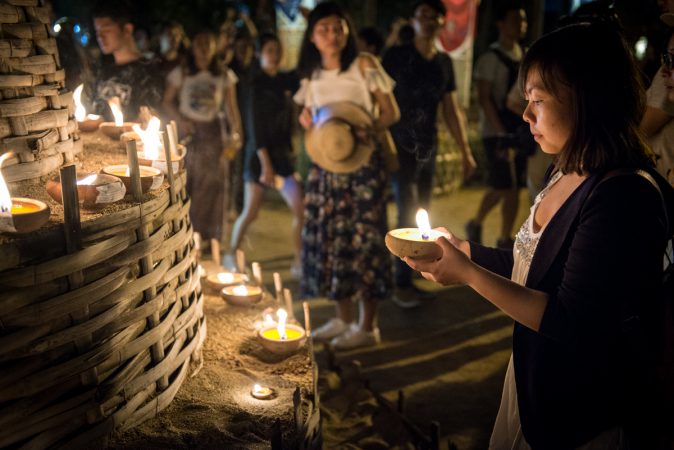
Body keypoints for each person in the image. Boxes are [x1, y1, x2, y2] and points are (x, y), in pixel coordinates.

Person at [404, 22, 674, 449]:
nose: (526, 114)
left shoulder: (622, 197)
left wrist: (469, 275)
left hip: (582, 411)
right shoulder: (566, 168)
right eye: (526, 100)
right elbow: (532, 267)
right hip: (535, 383)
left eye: (538, 100)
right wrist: (465, 252)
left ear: (587, 98)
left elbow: (571, 320)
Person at [295, 2, 400, 350]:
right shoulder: (312, 76)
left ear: (346, 31)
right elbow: (309, 117)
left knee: (365, 241)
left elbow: (390, 111)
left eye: (337, 27)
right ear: (312, 37)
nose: (332, 35)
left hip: (363, 168)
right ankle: (342, 318)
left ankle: (368, 325)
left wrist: (365, 130)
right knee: (332, 241)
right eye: (323, 29)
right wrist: (306, 121)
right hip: (326, 168)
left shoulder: (365, 64)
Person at [382, 0, 476, 307]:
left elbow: (451, 109)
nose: (429, 20)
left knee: (421, 212)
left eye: (435, 16)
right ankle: (399, 283)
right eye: (423, 14)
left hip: (427, 147)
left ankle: (410, 276)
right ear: (414, 19)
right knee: (406, 210)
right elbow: (378, 101)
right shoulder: (396, 56)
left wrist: (465, 152)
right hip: (398, 146)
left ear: (440, 22)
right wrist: (382, 144)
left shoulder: (444, 62)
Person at [227, 33, 303, 276]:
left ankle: (300, 260)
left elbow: (304, 72)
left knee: (300, 209)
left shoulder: (285, 80)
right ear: (260, 53)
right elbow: (254, 126)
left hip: (282, 156)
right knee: (251, 211)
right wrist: (266, 165)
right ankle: (231, 253)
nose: (275, 55)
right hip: (259, 156)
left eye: (277, 50)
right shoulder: (254, 83)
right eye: (269, 50)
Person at [162, 31, 243, 246]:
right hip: (188, 132)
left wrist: (236, 133)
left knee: (211, 184)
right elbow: (167, 101)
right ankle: (182, 232)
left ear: (216, 46)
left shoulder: (224, 74)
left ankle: (205, 237)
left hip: (212, 134)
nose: (204, 47)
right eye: (200, 43)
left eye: (208, 42)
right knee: (186, 179)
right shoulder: (183, 72)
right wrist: (181, 120)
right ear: (193, 47)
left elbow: (232, 108)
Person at [465, 1, 528, 249]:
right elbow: (484, 97)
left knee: (509, 185)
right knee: (507, 185)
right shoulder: (490, 58)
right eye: (515, 19)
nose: (521, 25)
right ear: (500, 24)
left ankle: (485, 226)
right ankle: (503, 238)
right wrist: (500, 130)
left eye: (523, 20)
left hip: (520, 130)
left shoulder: (523, 55)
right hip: (496, 132)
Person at [84, 1, 163, 121]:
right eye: (97, 32)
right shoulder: (103, 71)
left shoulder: (148, 71)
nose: (100, 37)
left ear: (127, 30)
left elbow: (150, 120)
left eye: (106, 30)